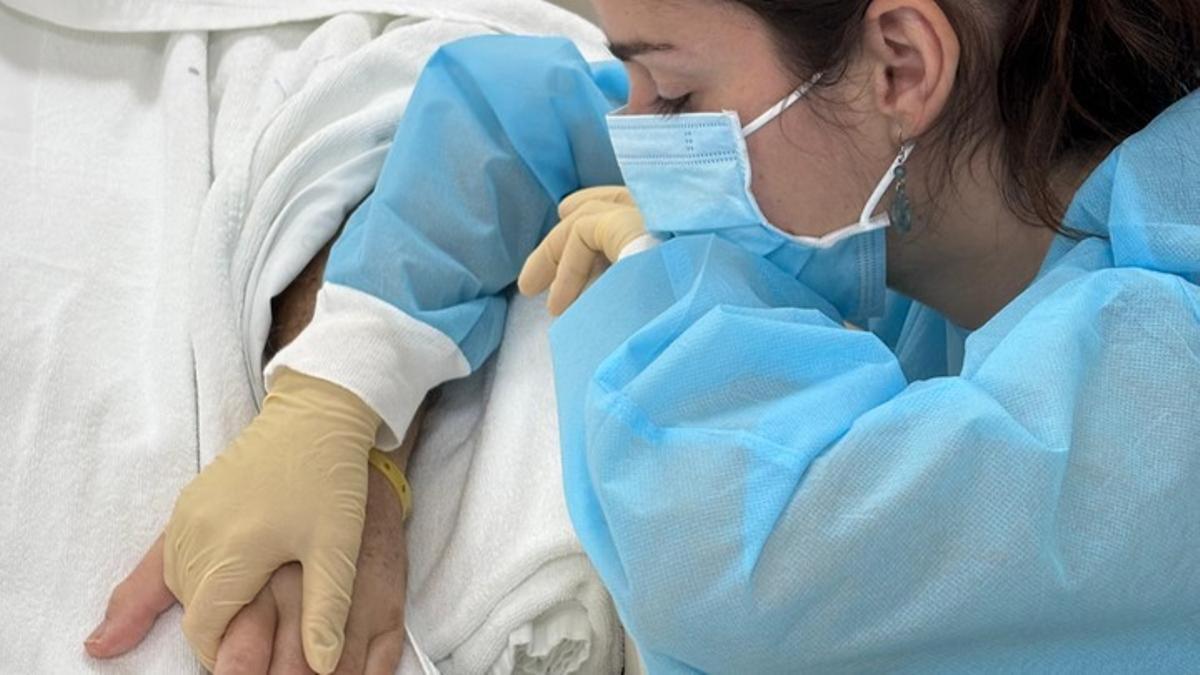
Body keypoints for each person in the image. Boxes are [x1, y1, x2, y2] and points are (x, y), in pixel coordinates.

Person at [99, 0, 1200, 671]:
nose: (633, 130)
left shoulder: (1161, 392)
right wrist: (342, 391)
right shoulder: (950, 152)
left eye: (670, 93)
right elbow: (508, 107)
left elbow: (742, 572)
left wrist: (658, 268)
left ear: (902, 63)